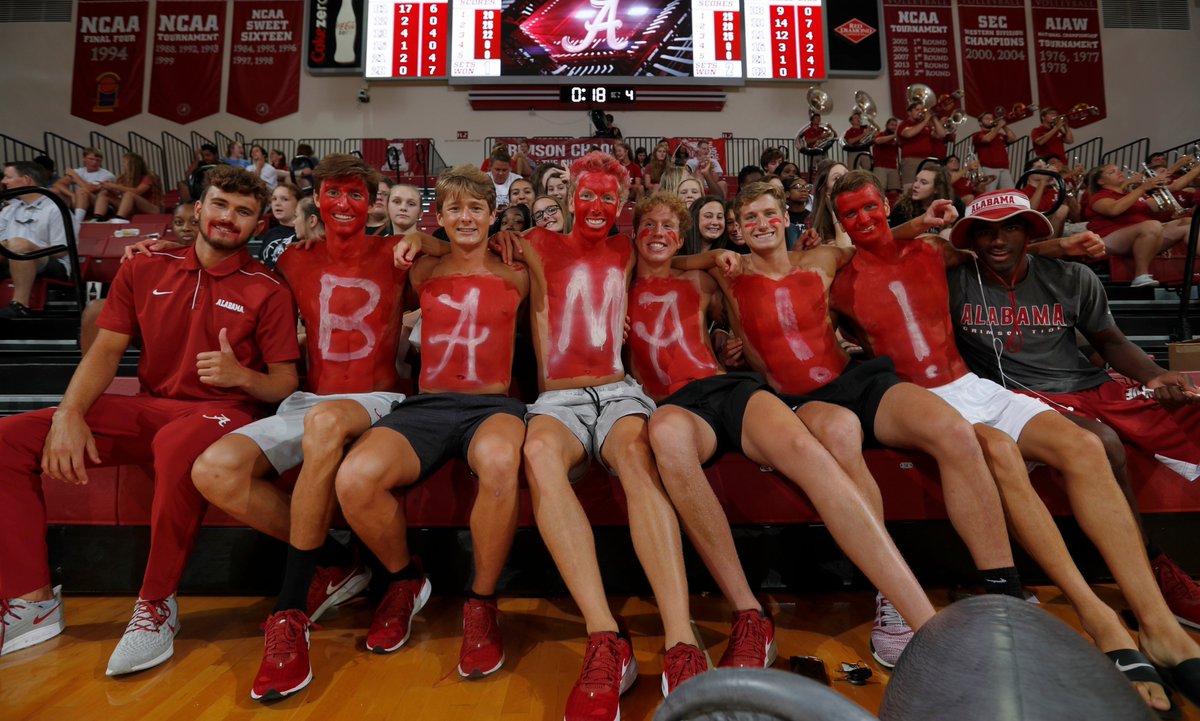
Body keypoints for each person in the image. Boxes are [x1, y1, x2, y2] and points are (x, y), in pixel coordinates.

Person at [827, 172, 1200, 715]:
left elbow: (999, 248)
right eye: (850, 214)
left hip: (972, 385)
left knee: (1085, 448)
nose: (863, 220)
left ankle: (1161, 626)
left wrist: (1060, 243)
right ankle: (1101, 621)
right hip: (918, 402)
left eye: (869, 208)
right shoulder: (836, 280)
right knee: (997, 452)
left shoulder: (934, 253)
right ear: (840, 223)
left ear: (886, 204)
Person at [703, 181, 1026, 669]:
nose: (763, 224)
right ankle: (891, 595)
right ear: (737, 229)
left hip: (854, 379)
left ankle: (1007, 594)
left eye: (771, 213)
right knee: (840, 434)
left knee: (954, 431)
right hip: (797, 398)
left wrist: (918, 224)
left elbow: (877, 235)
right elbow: (671, 264)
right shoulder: (728, 271)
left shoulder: (825, 259)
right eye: (750, 218)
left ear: (786, 218)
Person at [0, 166, 300, 672]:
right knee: (8, 437)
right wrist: (69, 413)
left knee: (177, 443)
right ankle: (31, 602)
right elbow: (105, 352)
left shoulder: (266, 288)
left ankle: (156, 604)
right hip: (150, 404)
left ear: (258, 223)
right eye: (220, 205)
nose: (229, 218)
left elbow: (284, 384)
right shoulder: (144, 266)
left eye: (243, 212)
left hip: (223, 411)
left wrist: (241, 377)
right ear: (200, 208)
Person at [629, 193, 936, 681]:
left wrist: (915, 224)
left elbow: (857, 249)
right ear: (633, 231)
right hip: (675, 408)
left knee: (810, 454)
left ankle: (927, 624)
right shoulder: (615, 285)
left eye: (670, 225)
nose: (660, 233)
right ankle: (749, 614)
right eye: (650, 224)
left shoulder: (708, 275)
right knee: (665, 436)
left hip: (731, 390)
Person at [484, 152, 701, 718]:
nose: (599, 207)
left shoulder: (628, 250)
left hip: (619, 391)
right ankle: (605, 636)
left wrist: (719, 254)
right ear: (571, 196)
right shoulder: (531, 242)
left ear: (622, 205)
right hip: (557, 398)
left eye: (610, 198)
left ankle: (680, 639)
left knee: (636, 457)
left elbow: (682, 259)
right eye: (590, 195)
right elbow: (456, 245)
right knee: (538, 453)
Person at [189, 154, 410, 701]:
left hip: (379, 398)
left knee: (326, 420)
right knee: (215, 470)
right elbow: (221, 259)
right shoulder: (290, 260)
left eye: (356, 195)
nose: (343, 205)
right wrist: (160, 248)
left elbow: (453, 259)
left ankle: (288, 611)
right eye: (333, 193)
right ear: (317, 197)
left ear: (373, 202)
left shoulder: (398, 254)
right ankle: (335, 561)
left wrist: (452, 243)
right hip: (311, 399)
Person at [948, 190, 1200, 628]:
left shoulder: (1072, 277)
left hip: (1086, 384)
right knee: (1102, 443)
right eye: (985, 231)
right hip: (1018, 395)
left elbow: (1110, 341)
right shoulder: (955, 282)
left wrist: (1152, 374)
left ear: (1029, 230)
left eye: (1010, 227)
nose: (997, 240)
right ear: (971, 238)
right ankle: (1154, 568)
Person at [334, 165, 530, 684]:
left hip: (492, 405)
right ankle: (403, 581)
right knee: (355, 478)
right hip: (428, 403)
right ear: (439, 216)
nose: (465, 217)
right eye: (454, 209)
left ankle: (481, 602)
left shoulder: (519, 271)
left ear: (492, 214)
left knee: (499, 462)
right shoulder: (421, 271)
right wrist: (420, 239)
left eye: (476, 208)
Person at [1084, 164, 1191, 287]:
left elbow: (1164, 202)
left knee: (1187, 222)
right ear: (1101, 181)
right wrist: (1142, 188)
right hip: (1107, 240)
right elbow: (1113, 209)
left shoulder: (1130, 194)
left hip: (1144, 235)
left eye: (1119, 170)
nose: (1119, 173)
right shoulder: (1098, 196)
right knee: (1152, 225)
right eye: (1112, 172)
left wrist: (1162, 192)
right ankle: (1141, 276)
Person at [0, 161, 72, 319]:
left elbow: (61, 251)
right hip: (12, 258)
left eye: (8, 177)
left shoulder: (56, 208)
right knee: (15, 246)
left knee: (19, 245)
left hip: (53, 265)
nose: (3, 181)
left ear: (26, 180)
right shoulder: (8, 210)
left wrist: (26, 247)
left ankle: (20, 305)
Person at [890, 164, 960, 240]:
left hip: (937, 250)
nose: (915, 185)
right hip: (908, 250)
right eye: (916, 180)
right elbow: (891, 236)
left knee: (947, 233)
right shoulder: (902, 207)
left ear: (936, 189)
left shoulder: (953, 206)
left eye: (923, 182)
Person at [50, 147, 115, 222]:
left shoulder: (107, 175)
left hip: (97, 203)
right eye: (91, 159)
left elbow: (91, 189)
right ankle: (56, 218)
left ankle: (77, 221)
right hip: (78, 200)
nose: (94, 162)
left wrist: (74, 175)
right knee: (54, 191)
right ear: (84, 159)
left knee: (82, 191)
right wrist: (72, 195)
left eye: (98, 160)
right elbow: (57, 184)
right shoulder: (80, 171)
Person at [93, 152, 162, 221]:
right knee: (104, 194)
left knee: (129, 194)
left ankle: (119, 219)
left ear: (133, 164)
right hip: (131, 207)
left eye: (124, 162)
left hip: (151, 208)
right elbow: (117, 192)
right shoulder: (122, 178)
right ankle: (97, 218)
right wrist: (109, 187)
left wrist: (115, 186)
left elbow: (138, 191)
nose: (123, 165)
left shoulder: (149, 177)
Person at [897, 103, 945, 187]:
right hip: (912, 160)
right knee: (910, 188)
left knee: (929, 187)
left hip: (927, 160)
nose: (920, 112)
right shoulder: (904, 124)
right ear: (909, 113)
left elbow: (941, 135)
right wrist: (926, 120)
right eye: (917, 110)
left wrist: (933, 118)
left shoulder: (926, 126)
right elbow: (909, 134)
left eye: (922, 110)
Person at [257, 183, 301, 270]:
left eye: (285, 199)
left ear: (299, 203)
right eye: (274, 199)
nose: (277, 203)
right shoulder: (270, 233)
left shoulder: (304, 234)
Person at [972, 112, 1017, 191]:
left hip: (1004, 168)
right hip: (988, 168)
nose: (991, 120)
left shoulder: (999, 135)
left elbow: (1013, 139)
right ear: (980, 122)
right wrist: (999, 126)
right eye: (987, 118)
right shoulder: (977, 134)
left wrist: (1004, 126)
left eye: (991, 118)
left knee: (1010, 194)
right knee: (989, 194)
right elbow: (987, 139)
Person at [873, 117, 902, 196]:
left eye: (896, 125)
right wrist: (894, 135)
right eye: (892, 125)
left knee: (894, 189)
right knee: (880, 189)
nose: (894, 127)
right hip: (880, 166)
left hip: (893, 167)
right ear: (886, 125)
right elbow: (878, 141)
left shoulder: (896, 138)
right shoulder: (881, 134)